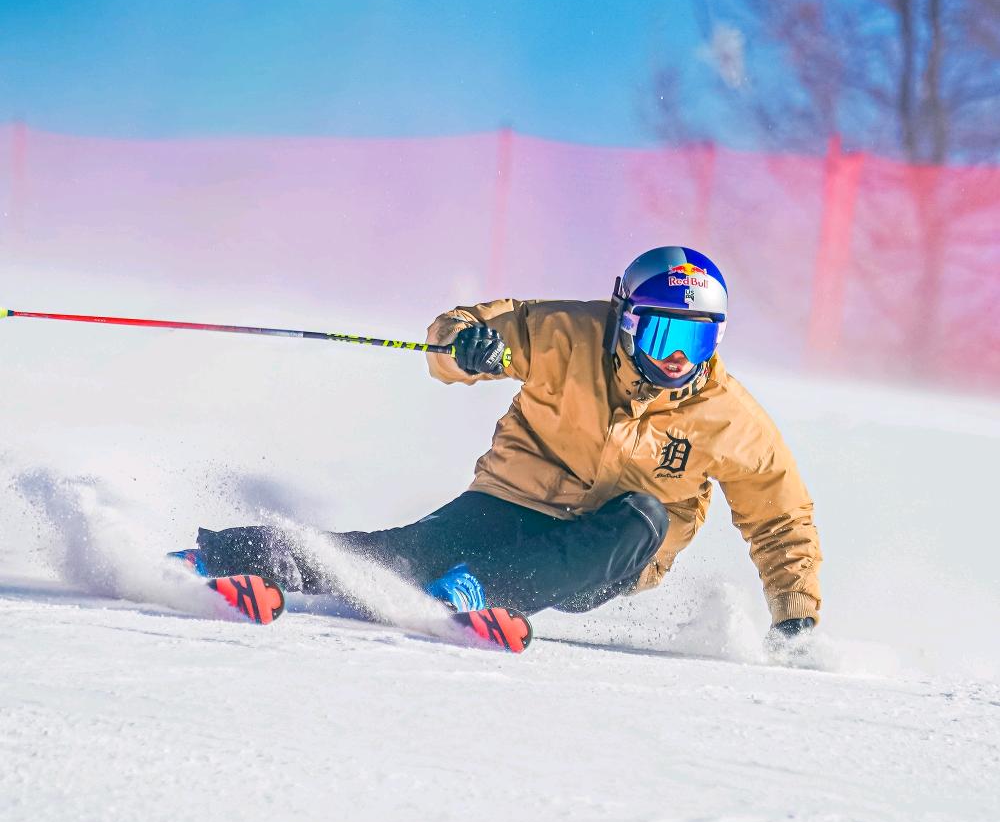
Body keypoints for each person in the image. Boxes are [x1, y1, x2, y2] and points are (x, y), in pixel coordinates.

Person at [178, 246, 822, 644]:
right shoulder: (568, 332)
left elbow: (781, 516)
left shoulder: (732, 417)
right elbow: (463, 331)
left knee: (646, 515)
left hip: (605, 554)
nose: (678, 358)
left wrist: (795, 614)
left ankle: (473, 592)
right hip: (511, 502)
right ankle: (215, 556)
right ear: (624, 322)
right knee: (392, 556)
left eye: (699, 340)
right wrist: (466, 346)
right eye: (661, 338)